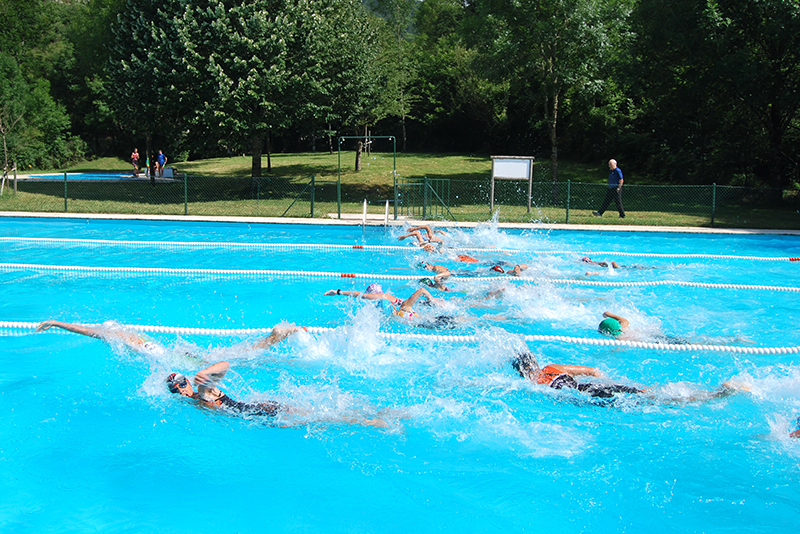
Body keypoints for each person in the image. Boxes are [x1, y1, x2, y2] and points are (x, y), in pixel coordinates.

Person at [166, 361, 388, 427]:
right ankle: (381, 414)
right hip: (258, 411)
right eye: (176, 389)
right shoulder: (193, 401)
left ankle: (371, 420)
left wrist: (203, 373)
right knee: (317, 415)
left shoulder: (202, 394)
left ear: (186, 383)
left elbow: (224, 365)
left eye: (182, 384)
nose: (181, 390)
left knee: (319, 418)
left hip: (261, 411)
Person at [511, 350, 747, 402]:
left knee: (655, 402)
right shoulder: (551, 367)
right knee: (647, 393)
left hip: (589, 396)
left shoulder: (531, 385)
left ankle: (718, 394)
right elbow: (593, 370)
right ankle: (714, 392)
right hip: (590, 386)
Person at [34, 319, 303, 355]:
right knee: (230, 352)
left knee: (235, 355)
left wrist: (56, 323)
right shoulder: (135, 335)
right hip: (174, 355)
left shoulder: (122, 339)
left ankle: (274, 338)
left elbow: (89, 331)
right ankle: (273, 338)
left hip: (175, 360)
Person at [325, 283, 459, 329]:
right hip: (421, 319)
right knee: (457, 321)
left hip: (417, 321)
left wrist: (338, 292)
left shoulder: (381, 297)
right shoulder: (397, 302)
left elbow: (360, 295)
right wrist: (433, 301)